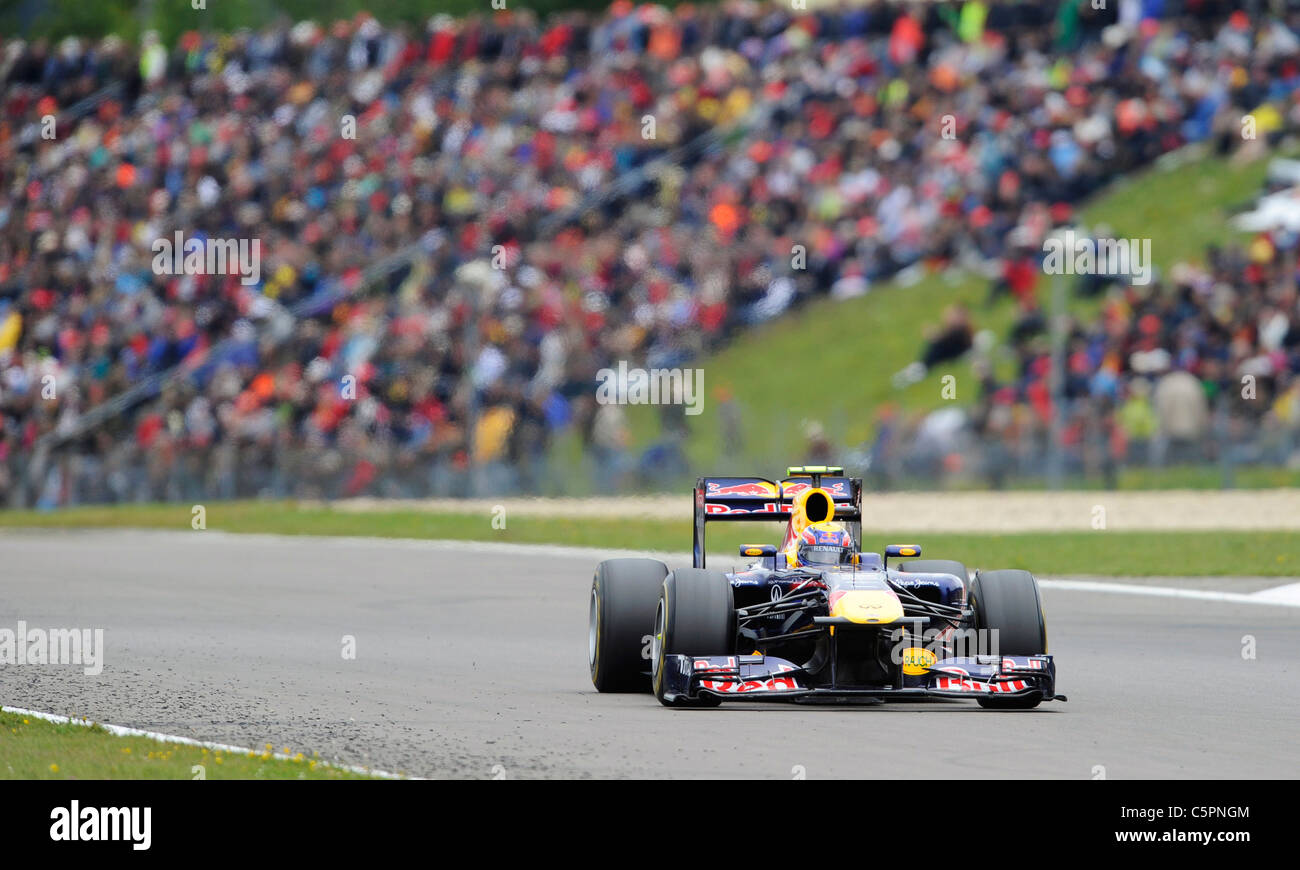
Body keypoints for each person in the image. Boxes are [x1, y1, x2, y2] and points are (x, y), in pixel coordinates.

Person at [787, 521, 856, 568]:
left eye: (832, 558)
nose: (826, 568)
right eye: (818, 556)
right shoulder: (788, 563)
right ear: (801, 553)